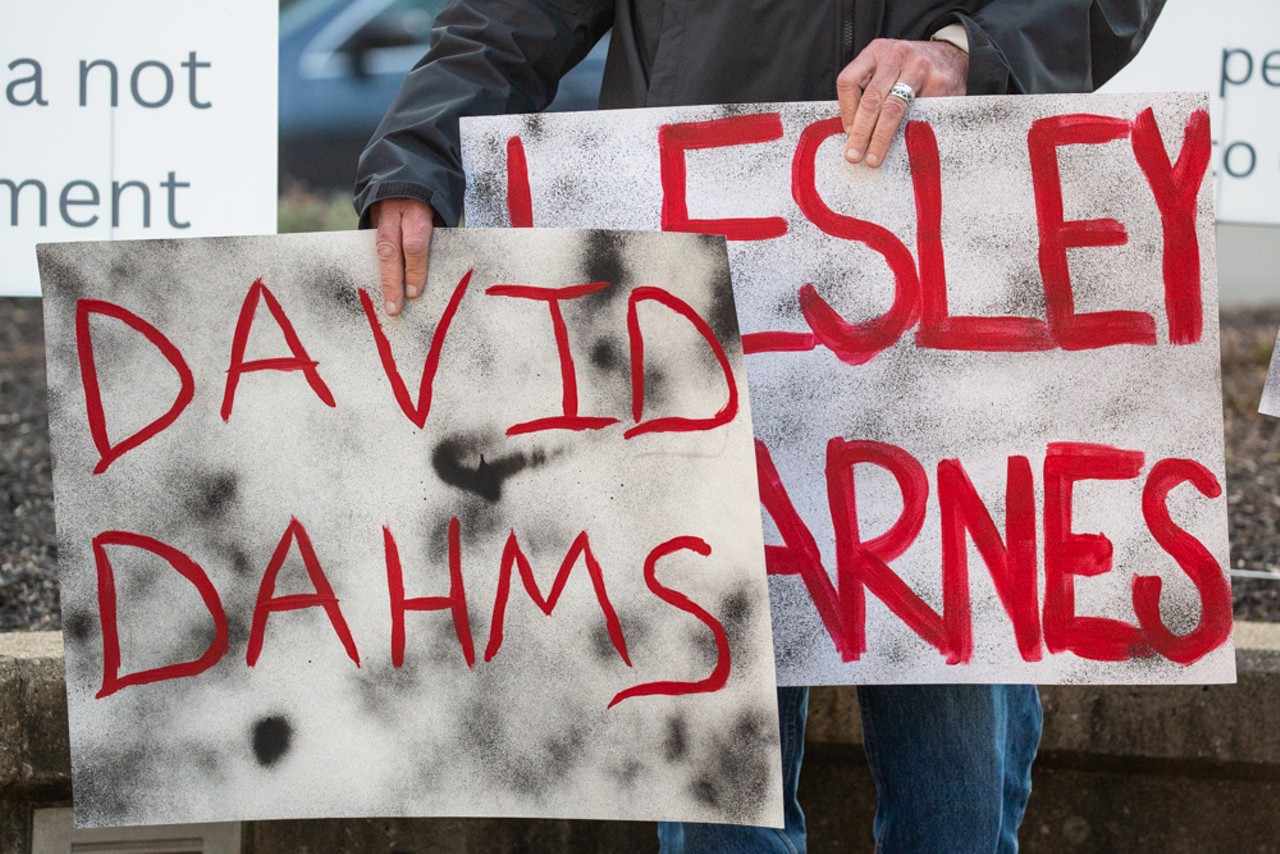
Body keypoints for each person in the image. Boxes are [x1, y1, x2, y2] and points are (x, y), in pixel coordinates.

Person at [353, 3, 1164, 851]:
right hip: (694, 310)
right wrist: (419, 157)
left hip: (944, 313)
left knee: (954, 798)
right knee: (721, 818)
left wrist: (971, 49)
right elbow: (507, 18)